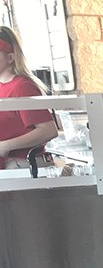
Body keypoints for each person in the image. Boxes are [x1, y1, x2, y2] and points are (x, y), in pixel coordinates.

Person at [0, 26, 56, 169]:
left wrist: (6, 145)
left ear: (10, 57)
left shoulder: (22, 86)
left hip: (23, 163)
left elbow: (48, 130)